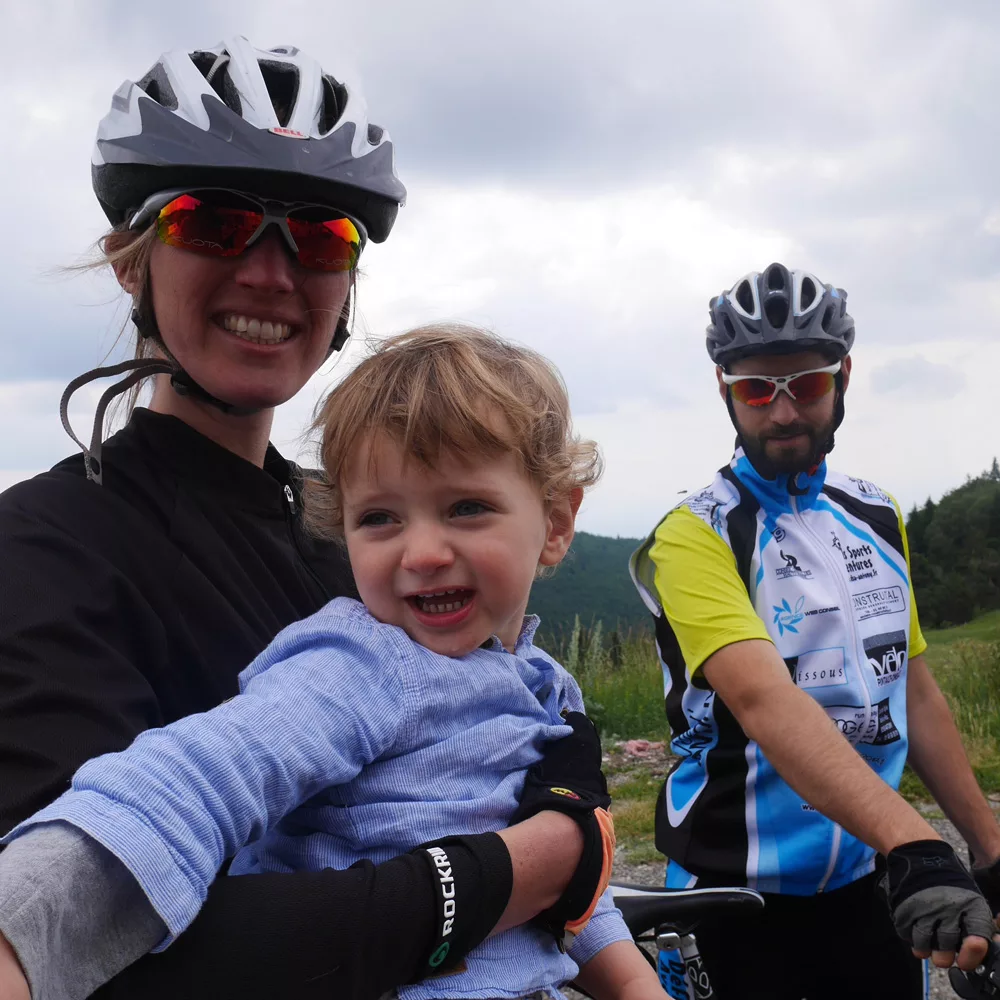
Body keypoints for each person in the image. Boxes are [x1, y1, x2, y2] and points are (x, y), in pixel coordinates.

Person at [0, 38, 613, 1000]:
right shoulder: (42, 546)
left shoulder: (359, 541)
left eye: (322, 236)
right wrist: (538, 860)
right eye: (214, 224)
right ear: (130, 262)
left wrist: (573, 807)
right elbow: (97, 959)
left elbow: (522, 713)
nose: (273, 273)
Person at [2, 325, 658, 1000]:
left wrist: (639, 986)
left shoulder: (545, 684)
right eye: (379, 518)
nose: (422, 551)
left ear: (555, 522)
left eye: (466, 508)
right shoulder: (361, 662)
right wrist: (18, 933)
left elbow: (573, 885)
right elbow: (190, 782)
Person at [629, 263, 1000, 1000]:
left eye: (807, 385)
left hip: (867, 880)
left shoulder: (875, 514)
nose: (784, 412)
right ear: (725, 391)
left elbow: (912, 691)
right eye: (757, 390)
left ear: (845, 378)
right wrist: (920, 846)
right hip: (733, 894)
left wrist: (988, 854)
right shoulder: (695, 535)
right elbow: (766, 706)